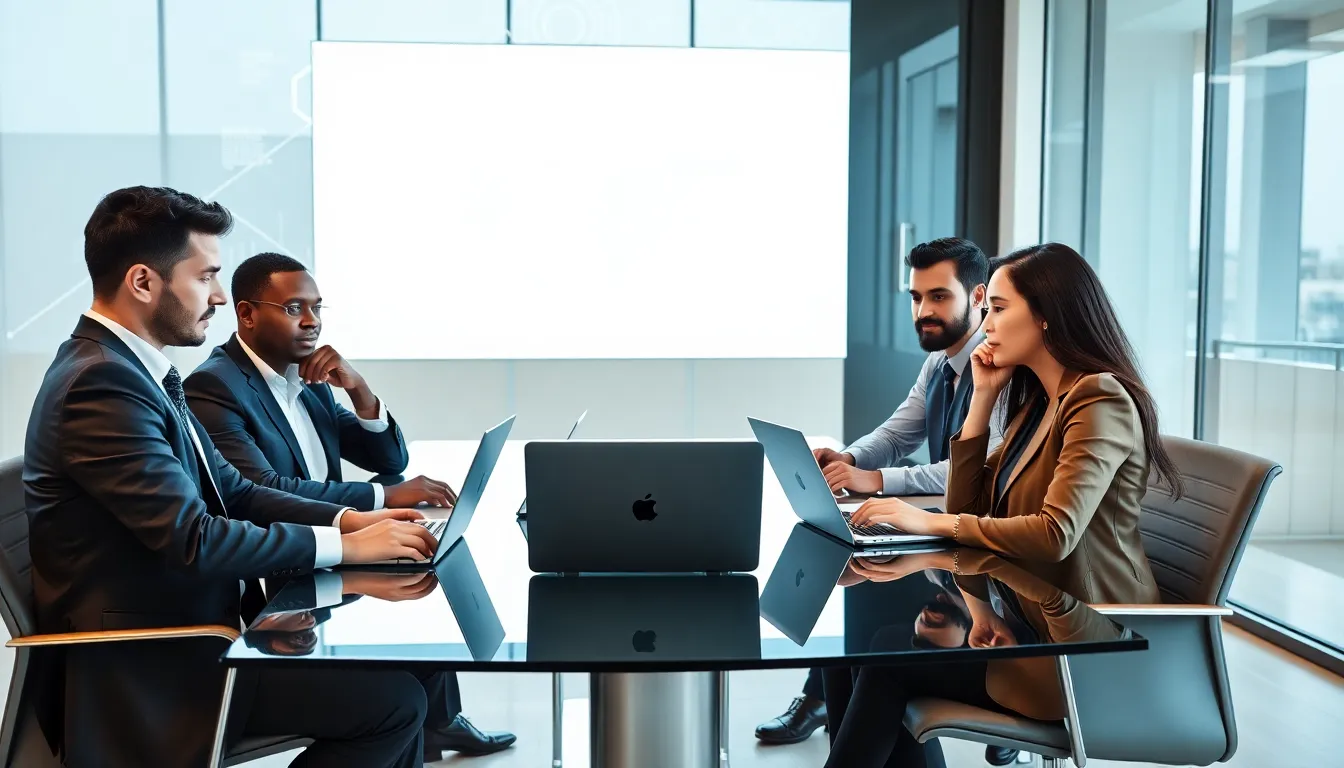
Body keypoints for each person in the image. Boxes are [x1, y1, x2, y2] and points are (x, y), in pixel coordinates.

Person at [24, 186, 443, 767]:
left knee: (404, 680)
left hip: (199, 627)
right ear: (143, 282)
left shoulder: (133, 372)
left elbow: (237, 492)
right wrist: (347, 546)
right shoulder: (102, 384)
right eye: (206, 277)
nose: (220, 296)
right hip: (155, 664)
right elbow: (194, 538)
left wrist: (355, 521)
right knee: (392, 703)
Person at [828, 242, 1180, 768]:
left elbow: (1054, 534)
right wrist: (984, 400)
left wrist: (925, 521)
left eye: (997, 308)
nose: (985, 323)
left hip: (1085, 643)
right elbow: (972, 502)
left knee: (885, 664)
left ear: (1045, 316)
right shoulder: (1038, 399)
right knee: (860, 652)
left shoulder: (1098, 398)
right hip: (1030, 613)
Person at [184, 251, 516, 760]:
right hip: (284, 569)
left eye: (316, 307)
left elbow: (390, 459)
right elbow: (262, 489)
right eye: (294, 308)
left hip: (330, 545)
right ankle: (429, 723)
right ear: (246, 314)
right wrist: (382, 498)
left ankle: (439, 724)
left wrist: (359, 389)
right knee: (405, 608)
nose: (311, 321)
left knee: (421, 581)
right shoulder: (215, 387)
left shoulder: (306, 381)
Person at [756, 237, 1006, 747]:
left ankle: (834, 702)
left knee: (870, 596)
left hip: (980, 550)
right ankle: (827, 698)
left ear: (978, 296)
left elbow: (976, 471)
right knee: (852, 573)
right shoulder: (940, 364)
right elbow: (897, 434)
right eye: (916, 297)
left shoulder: (1000, 367)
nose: (923, 311)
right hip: (941, 535)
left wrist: (877, 480)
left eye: (939, 296)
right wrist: (850, 460)